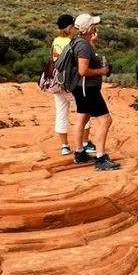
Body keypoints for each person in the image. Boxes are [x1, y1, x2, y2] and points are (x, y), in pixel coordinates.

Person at [70, 13, 119, 171]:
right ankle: (100, 158)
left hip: (80, 88)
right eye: (93, 25)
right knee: (105, 121)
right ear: (89, 28)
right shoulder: (83, 46)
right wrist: (102, 71)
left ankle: (79, 153)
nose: (95, 27)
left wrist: (92, 43)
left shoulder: (78, 42)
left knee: (82, 118)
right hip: (88, 89)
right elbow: (83, 70)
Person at [46, 13, 84, 156]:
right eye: (74, 27)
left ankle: (64, 146)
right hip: (69, 83)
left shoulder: (56, 41)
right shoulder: (71, 42)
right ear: (69, 28)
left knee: (61, 113)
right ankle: (85, 143)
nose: (75, 29)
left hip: (56, 83)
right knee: (83, 112)